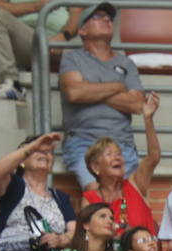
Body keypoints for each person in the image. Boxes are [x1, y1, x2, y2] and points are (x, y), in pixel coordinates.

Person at [58, 3, 145, 191]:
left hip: (121, 144)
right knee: (95, 194)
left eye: (108, 18)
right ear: (82, 30)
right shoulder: (72, 59)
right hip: (83, 142)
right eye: (98, 16)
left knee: (126, 198)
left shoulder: (126, 63)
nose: (106, 20)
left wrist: (91, 90)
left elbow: (137, 104)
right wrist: (118, 86)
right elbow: (75, 93)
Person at [0, 133, 77, 251]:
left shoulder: (60, 198)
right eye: (38, 151)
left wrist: (61, 239)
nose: (44, 154)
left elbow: (75, 233)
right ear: (22, 161)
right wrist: (33, 146)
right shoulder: (14, 186)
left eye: (48, 152)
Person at [80, 97, 162, 242]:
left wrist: (148, 119)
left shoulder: (135, 184)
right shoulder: (89, 199)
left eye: (118, 154)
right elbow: (88, 238)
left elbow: (153, 157)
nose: (117, 158)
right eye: (109, 154)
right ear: (95, 167)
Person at [0, 0, 79, 101]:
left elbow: (78, 10)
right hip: (27, 38)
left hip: (64, 39)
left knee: (91, 24)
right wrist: (35, 6)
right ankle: (12, 83)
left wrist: (64, 36)